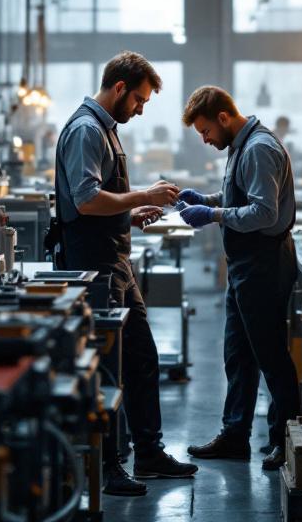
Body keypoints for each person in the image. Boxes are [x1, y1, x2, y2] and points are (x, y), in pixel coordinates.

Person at [53, 51, 199, 496]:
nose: (140, 109)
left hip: (113, 260)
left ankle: (149, 454)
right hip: (94, 268)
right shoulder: (86, 130)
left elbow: (101, 204)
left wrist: (129, 217)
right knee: (108, 370)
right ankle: (109, 464)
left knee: (139, 358)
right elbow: (84, 201)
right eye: (138, 99)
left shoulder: (104, 129)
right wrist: (140, 196)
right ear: (119, 88)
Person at [176, 86, 301, 471]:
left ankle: (285, 441)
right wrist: (210, 200)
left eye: (205, 131)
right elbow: (242, 197)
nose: (205, 139)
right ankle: (235, 435)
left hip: (264, 263)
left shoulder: (259, 148)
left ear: (224, 118)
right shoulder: (241, 146)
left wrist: (213, 216)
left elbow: (263, 213)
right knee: (238, 354)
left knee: (271, 358)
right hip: (244, 264)